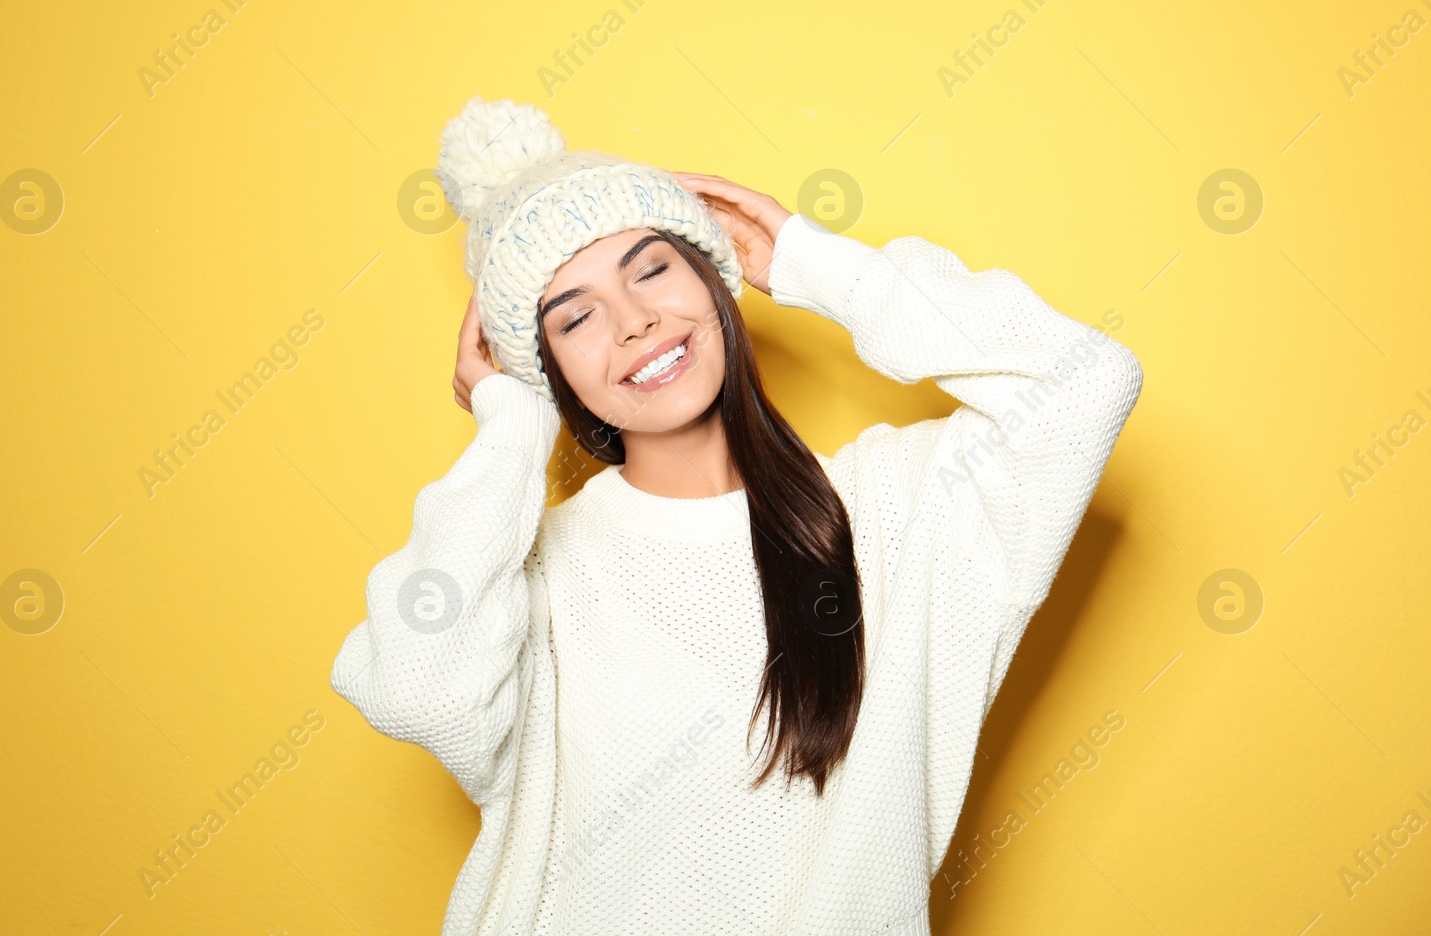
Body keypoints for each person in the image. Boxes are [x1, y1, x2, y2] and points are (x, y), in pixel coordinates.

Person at [331, 96, 1143, 935]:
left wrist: (812, 262)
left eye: (651, 270)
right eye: (574, 317)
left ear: (714, 277)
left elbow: (1085, 382)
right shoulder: (530, 577)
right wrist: (511, 425)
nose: (635, 320)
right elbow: (414, 690)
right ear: (549, 372)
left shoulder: (895, 506)